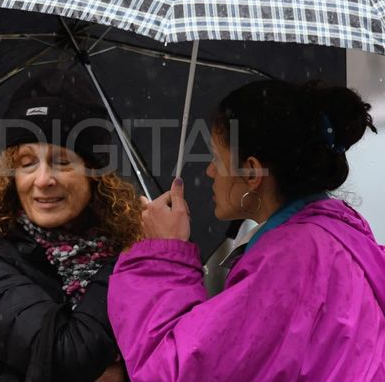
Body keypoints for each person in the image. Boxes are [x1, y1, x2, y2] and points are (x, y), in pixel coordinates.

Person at [107, 80, 385, 381]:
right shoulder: (333, 236)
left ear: (251, 172)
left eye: (216, 158)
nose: (209, 172)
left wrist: (163, 258)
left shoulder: (291, 260)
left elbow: (177, 372)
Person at [0, 70, 143, 381]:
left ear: (94, 173)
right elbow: (65, 358)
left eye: (61, 161)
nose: (43, 180)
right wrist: (130, 260)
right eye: (27, 163)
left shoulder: (118, 245)